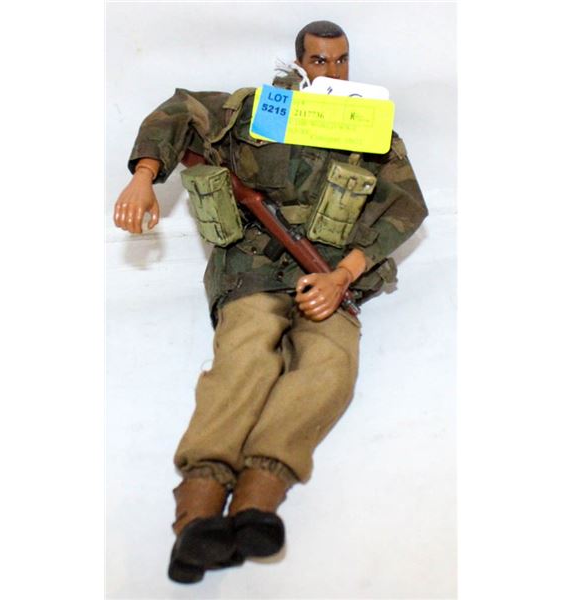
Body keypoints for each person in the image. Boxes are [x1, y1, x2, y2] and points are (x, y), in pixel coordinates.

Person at [113, 20, 428, 584]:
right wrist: (144, 175)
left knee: (330, 364)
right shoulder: (256, 110)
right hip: (252, 268)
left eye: (341, 60)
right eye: (319, 60)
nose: (331, 71)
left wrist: (344, 276)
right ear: (298, 60)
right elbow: (180, 110)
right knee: (245, 356)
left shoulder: (371, 129)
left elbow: (406, 206)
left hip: (328, 276)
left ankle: (259, 496)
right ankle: (198, 506)